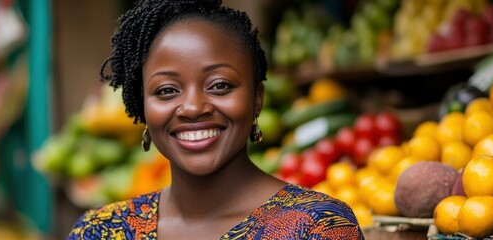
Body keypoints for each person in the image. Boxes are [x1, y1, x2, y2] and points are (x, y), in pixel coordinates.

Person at [67, 0, 364, 239]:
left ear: (257, 99)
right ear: (143, 106)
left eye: (220, 85)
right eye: (167, 90)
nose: (193, 107)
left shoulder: (317, 228)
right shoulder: (101, 230)